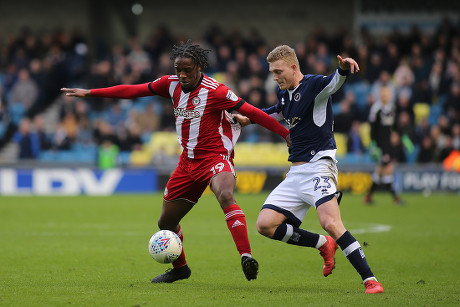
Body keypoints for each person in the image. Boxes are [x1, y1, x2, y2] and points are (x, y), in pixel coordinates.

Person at [61, 40, 291, 283]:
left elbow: (253, 112)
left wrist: (286, 134)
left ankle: (246, 256)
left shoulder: (217, 91)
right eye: (178, 70)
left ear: (199, 67)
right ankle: (181, 269)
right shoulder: (169, 85)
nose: (181, 75)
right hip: (187, 163)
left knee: (225, 195)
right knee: (166, 222)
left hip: (215, 158)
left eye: (187, 71)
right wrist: (91, 93)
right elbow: (133, 90)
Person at [234, 45, 384, 294]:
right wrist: (250, 118)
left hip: (319, 167)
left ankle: (370, 279)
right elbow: (278, 111)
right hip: (296, 173)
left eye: (278, 71)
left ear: (294, 67)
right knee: (265, 225)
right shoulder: (284, 93)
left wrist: (343, 68)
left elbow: (335, 83)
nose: (274, 77)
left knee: (331, 223)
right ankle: (323, 245)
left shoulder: (314, 86)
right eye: (271, 72)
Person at [364, 85, 404, 205]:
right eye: (383, 94)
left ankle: (368, 197)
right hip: (381, 145)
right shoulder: (376, 109)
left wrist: (402, 138)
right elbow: (372, 129)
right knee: (388, 170)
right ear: (380, 95)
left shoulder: (391, 108)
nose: (385, 96)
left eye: (387, 94)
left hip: (388, 145)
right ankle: (396, 198)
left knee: (379, 173)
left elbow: (394, 126)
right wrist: (374, 145)